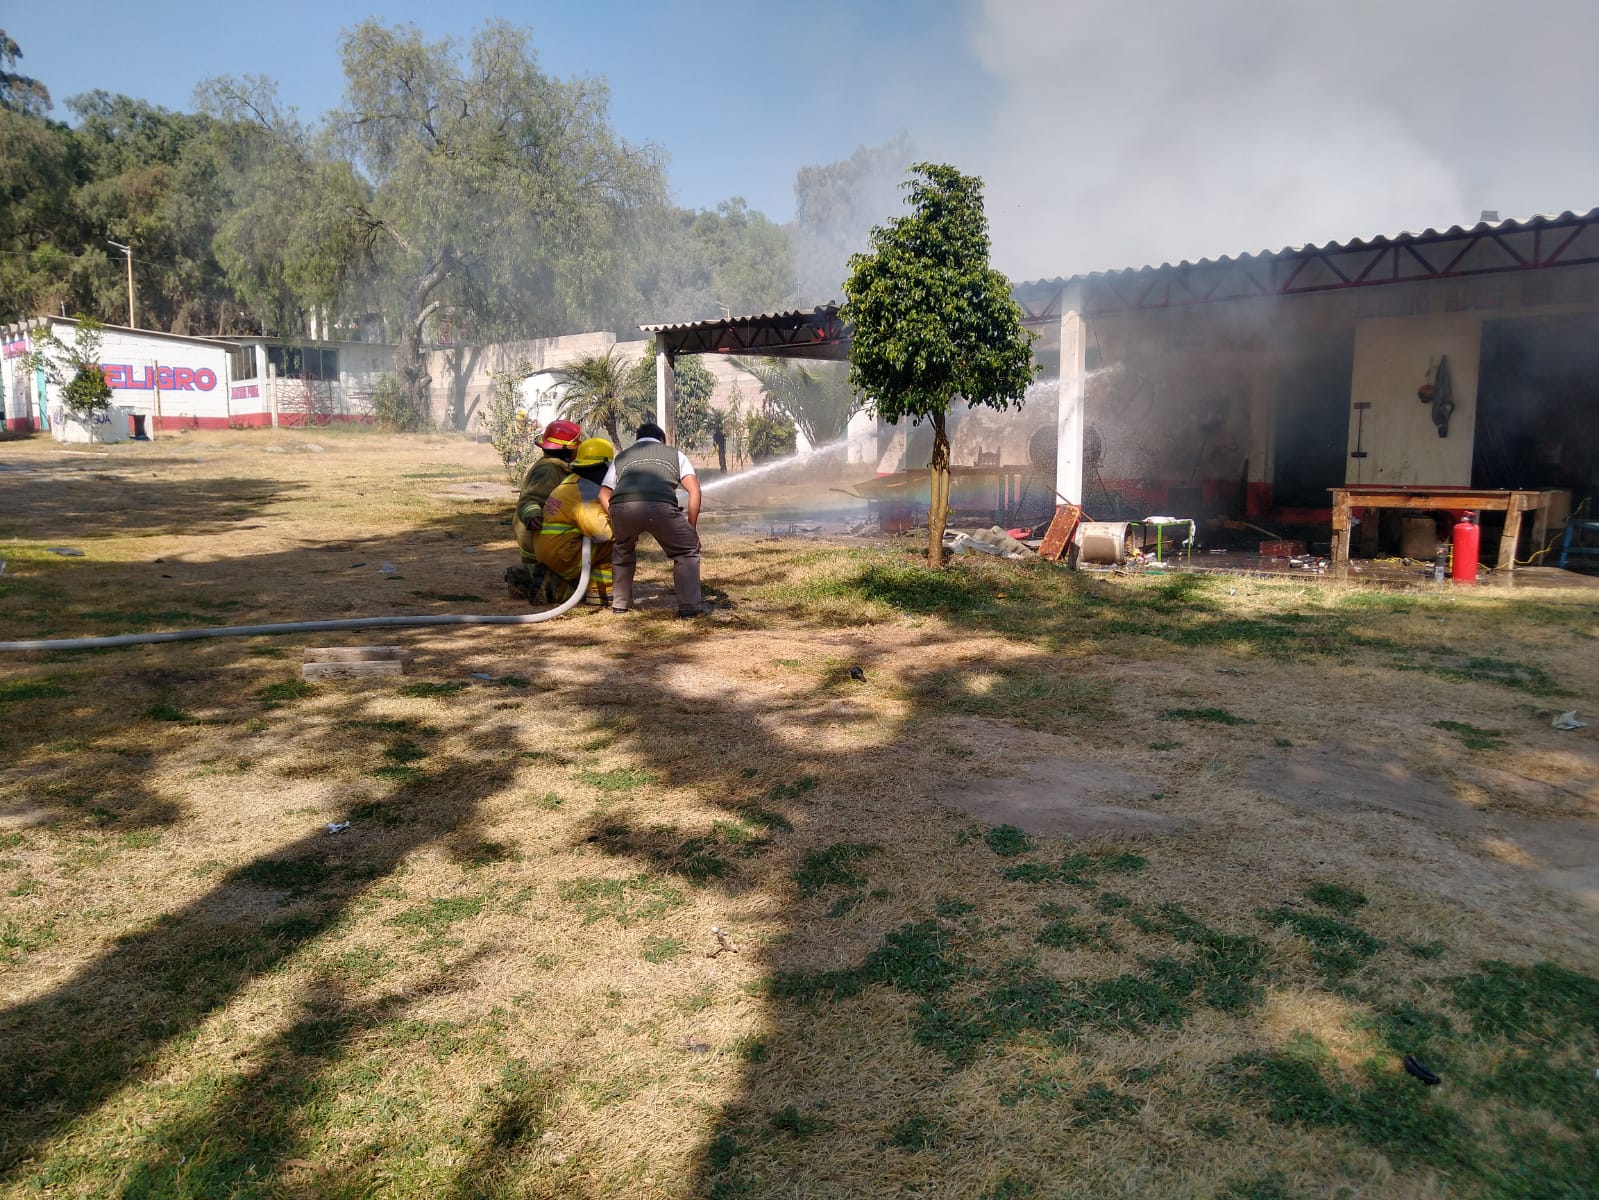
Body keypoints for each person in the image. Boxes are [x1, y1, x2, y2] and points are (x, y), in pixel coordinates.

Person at [600, 421, 704, 617]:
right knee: (686, 552)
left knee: (622, 551)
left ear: (637, 440)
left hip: (622, 507)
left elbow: (603, 494)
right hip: (661, 506)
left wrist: (618, 518)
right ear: (662, 440)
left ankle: (620, 605)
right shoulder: (675, 454)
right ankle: (689, 608)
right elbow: (694, 490)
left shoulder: (622, 457)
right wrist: (692, 529)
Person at [507, 419, 582, 602]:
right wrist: (534, 516)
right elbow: (531, 499)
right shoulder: (549, 470)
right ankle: (545, 587)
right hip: (538, 536)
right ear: (565, 449)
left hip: (538, 537)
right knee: (575, 592)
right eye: (576, 445)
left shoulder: (555, 466)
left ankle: (523, 577)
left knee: (546, 572)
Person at [534, 437, 616, 605]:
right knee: (615, 543)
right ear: (602, 466)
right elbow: (601, 533)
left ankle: (556, 581)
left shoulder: (571, 481)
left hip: (549, 551)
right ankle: (597, 593)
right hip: (563, 555)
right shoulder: (587, 491)